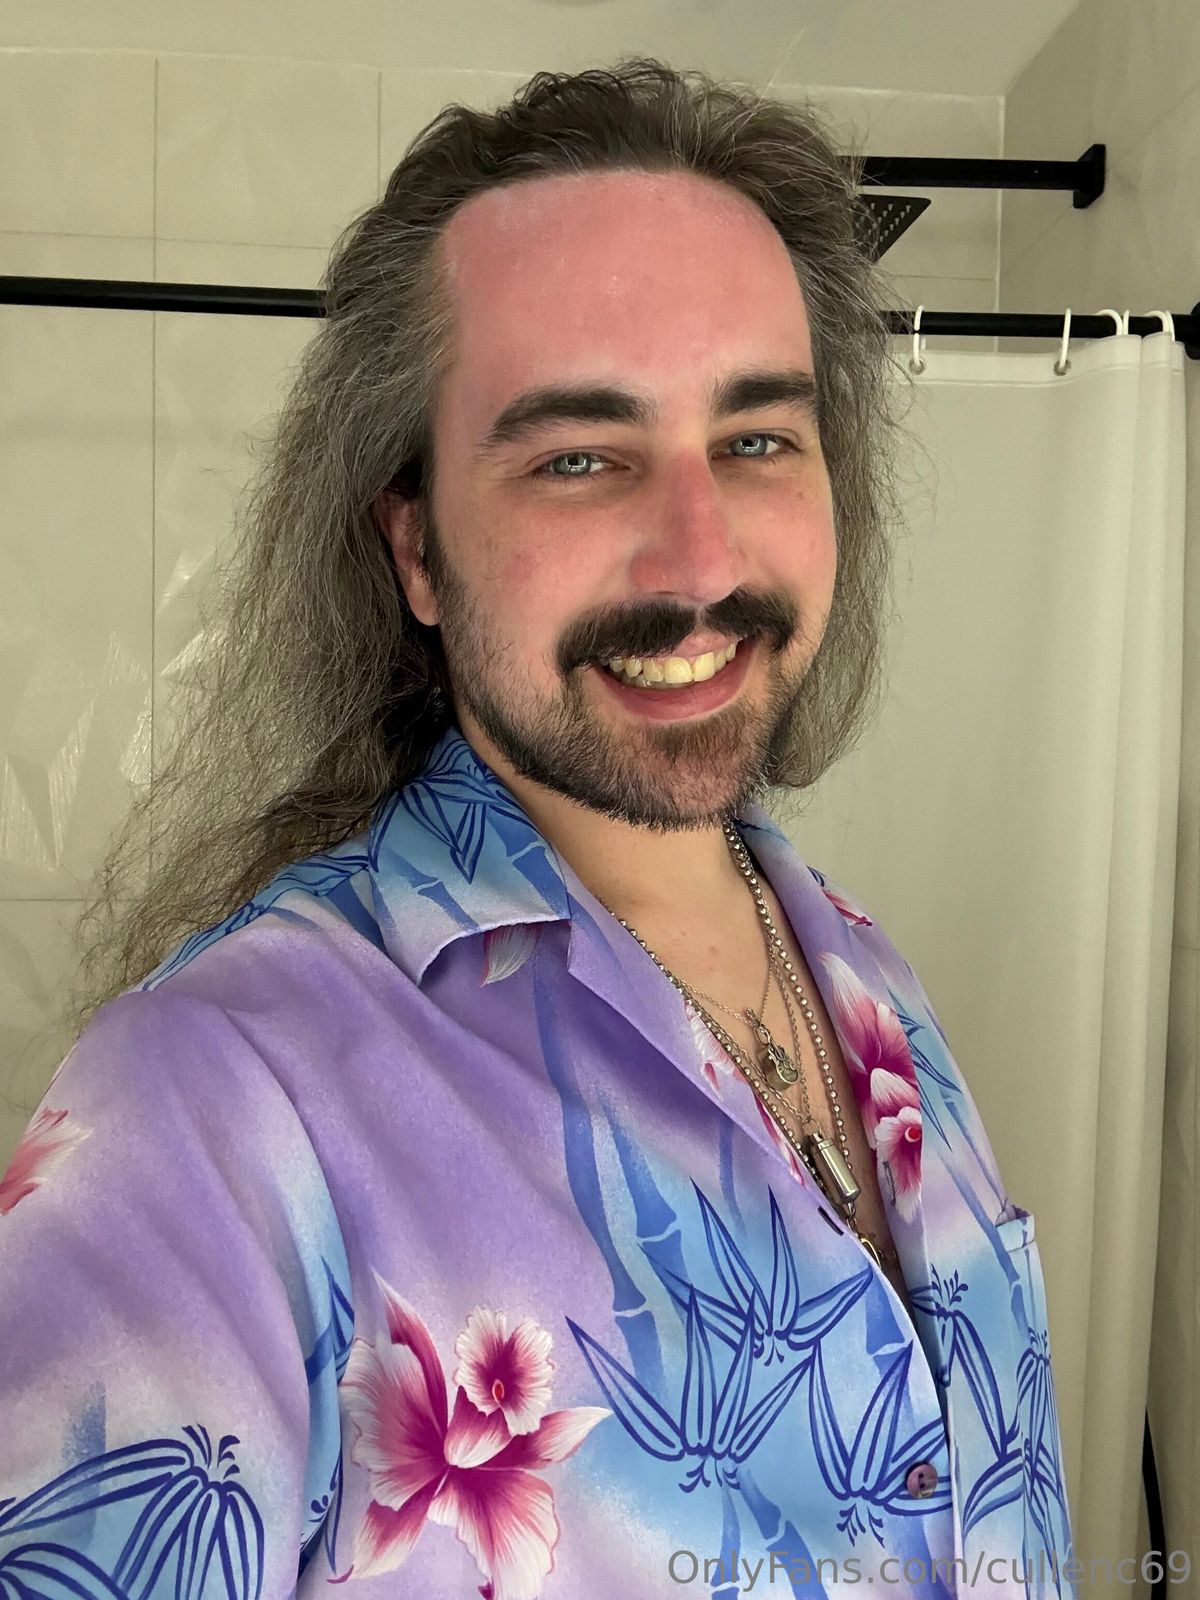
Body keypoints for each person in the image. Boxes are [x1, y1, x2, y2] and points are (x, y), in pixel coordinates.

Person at [0, 57, 1077, 1600]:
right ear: (416, 549)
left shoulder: (868, 977)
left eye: (758, 440)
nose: (700, 561)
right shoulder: (210, 1108)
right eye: (579, 457)